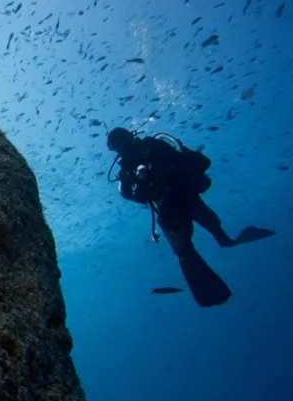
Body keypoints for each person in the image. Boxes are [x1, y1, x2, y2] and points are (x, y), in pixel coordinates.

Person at [106, 127, 275, 307]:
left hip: (175, 201)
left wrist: (149, 179)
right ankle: (229, 244)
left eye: (118, 146)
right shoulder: (137, 158)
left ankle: (213, 287)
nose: (121, 149)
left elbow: (134, 192)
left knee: (184, 249)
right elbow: (130, 192)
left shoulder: (148, 149)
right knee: (201, 244)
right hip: (182, 197)